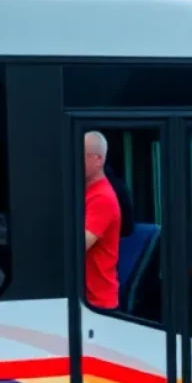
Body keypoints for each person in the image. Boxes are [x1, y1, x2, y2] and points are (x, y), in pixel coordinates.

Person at [84, 130, 121, 310]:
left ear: (98, 159)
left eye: (81, 155)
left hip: (97, 304)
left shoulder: (102, 198)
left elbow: (77, 246)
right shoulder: (86, 192)